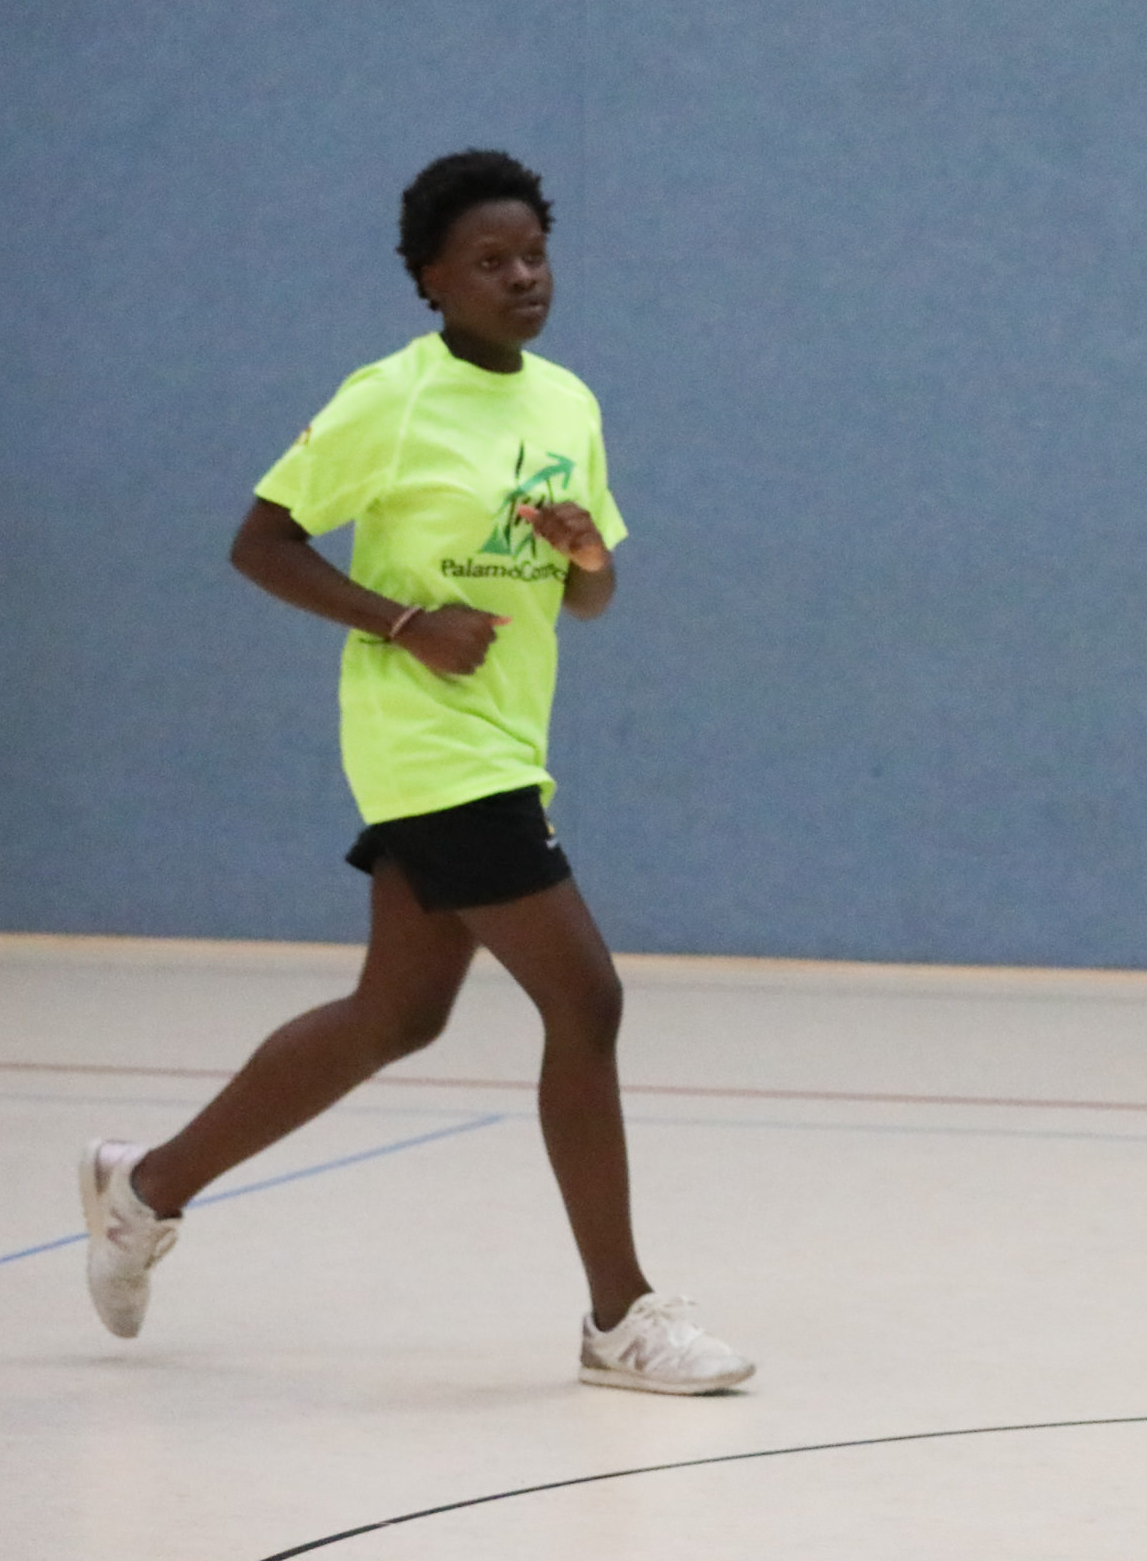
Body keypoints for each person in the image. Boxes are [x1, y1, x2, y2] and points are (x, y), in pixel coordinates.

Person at [76, 150, 752, 1396]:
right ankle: (620, 1315)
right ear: (431, 278)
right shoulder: (389, 398)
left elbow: (592, 596)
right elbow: (260, 542)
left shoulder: (567, 404)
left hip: (507, 739)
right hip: (426, 738)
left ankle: (145, 1187)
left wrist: (585, 552)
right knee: (587, 999)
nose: (522, 276)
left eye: (534, 254)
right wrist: (401, 621)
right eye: (490, 261)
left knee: (397, 1013)